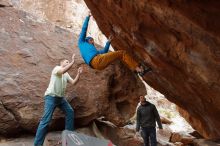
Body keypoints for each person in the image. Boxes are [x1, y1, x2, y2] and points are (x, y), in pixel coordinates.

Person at [78, 12, 152, 76]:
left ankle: (138, 69)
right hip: (96, 61)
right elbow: (84, 30)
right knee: (122, 53)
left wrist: (109, 42)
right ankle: (139, 70)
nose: (93, 42)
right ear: (86, 40)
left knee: (120, 55)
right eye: (91, 40)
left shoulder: (94, 52)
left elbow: (104, 51)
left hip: (98, 64)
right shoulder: (81, 42)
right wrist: (88, 17)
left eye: (93, 41)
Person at [34, 54, 82, 146]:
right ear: (61, 63)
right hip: (51, 97)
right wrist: (72, 62)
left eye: (68, 62)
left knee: (70, 112)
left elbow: (73, 82)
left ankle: (68, 139)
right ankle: (37, 144)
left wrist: (78, 74)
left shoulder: (66, 74)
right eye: (66, 62)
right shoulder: (56, 69)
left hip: (60, 99)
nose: (68, 63)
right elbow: (63, 70)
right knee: (46, 121)